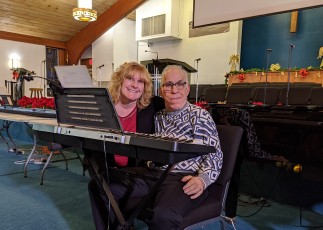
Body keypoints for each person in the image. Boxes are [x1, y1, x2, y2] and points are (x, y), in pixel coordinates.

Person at [88, 65, 223, 230]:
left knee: (164, 216)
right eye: (168, 85)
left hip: (183, 177)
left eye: (180, 84)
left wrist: (203, 179)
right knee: (100, 185)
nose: (174, 90)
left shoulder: (199, 115)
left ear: (187, 88)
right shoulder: (158, 116)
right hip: (153, 173)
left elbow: (215, 154)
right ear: (161, 90)